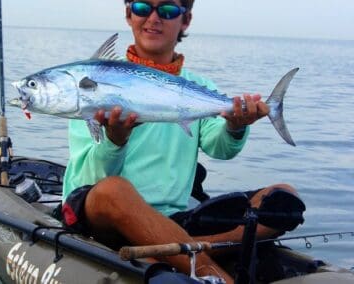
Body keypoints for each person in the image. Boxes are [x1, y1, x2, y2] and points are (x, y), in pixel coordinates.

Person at [61, 0, 301, 282]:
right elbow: (90, 180)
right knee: (113, 190)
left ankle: (172, 248)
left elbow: (219, 147)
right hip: (101, 217)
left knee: (283, 197)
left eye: (167, 10)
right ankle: (214, 272)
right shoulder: (89, 85)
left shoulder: (198, 87)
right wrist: (115, 141)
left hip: (172, 217)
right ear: (128, 15)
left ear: (185, 20)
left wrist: (235, 127)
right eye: (141, 7)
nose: (153, 18)